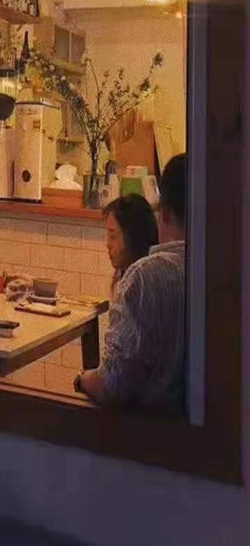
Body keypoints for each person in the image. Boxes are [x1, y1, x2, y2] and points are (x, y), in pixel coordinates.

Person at [75, 154, 186, 412]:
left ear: (164, 213)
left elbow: (113, 386)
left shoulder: (145, 278)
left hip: (143, 428)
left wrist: (82, 379)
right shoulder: (217, 269)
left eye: (113, 235)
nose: (107, 244)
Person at [103, 194, 159, 291]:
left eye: (113, 236)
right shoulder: (127, 277)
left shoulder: (145, 282)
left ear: (132, 237)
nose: (108, 244)